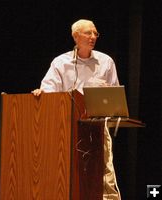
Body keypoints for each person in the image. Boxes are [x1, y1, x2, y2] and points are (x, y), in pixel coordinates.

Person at [32, 19, 121, 200]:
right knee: (64, 169)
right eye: (88, 33)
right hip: (65, 127)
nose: (93, 37)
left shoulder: (106, 62)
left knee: (104, 173)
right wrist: (41, 93)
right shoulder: (60, 62)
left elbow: (115, 96)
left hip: (96, 125)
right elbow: (49, 91)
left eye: (95, 33)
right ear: (75, 36)